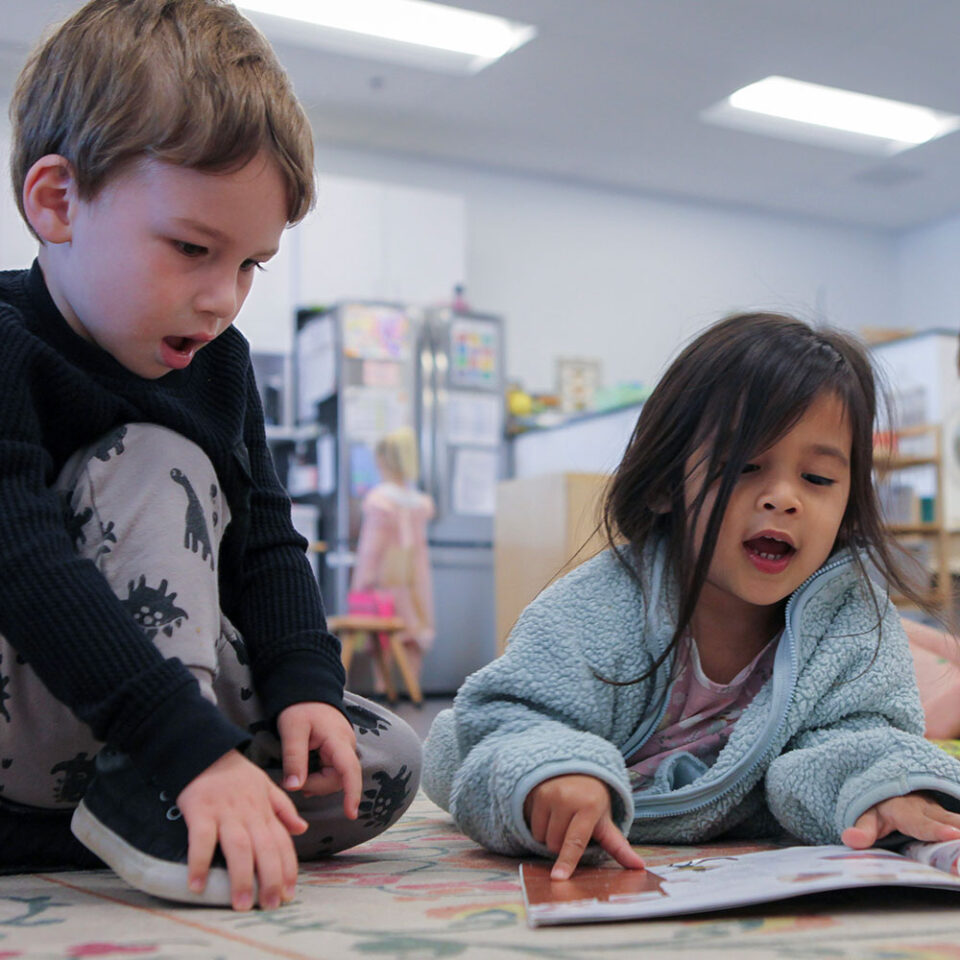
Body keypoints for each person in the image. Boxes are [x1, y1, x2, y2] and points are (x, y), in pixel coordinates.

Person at [0, 0, 421, 911]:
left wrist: (307, 684)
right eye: (193, 249)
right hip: (33, 691)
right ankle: (157, 783)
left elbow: (268, 538)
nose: (223, 298)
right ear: (57, 201)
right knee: (156, 459)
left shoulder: (220, 367)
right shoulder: (3, 339)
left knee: (381, 758)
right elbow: (22, 562)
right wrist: (185, 740)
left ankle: (139, 802)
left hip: (149, 709)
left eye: (249, 265)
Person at [423, 312, 960, 881]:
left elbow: (862, 733)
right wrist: (551, 775)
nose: (783, 498)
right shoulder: (603, 604)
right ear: (664, 484)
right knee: (465, 752)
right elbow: (518, 715)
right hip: (592, 790)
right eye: (744, 467)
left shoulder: (852, 619)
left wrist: (884, 790)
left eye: (818, 479)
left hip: (738, 809)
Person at [350, 428, 436, 687]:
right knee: (413, 638)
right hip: (415, 580)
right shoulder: (419, 503)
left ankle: (382, 694)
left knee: (382, 641)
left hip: (385, 581)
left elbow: (370, 550)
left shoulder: (379, 501)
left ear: (382, 461)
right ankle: (413, 693)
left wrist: (362, 583)